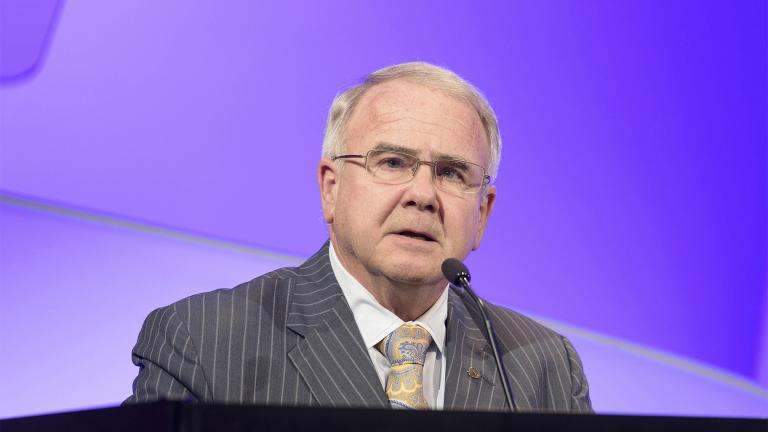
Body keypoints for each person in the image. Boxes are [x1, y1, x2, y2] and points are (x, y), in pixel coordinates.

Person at [124, 62, 592, 412]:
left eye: (451, 173)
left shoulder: (542, 365)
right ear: (331, 187)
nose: (423, 195)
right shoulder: (205, 340)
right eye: (392, 163)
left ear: (482, 213)